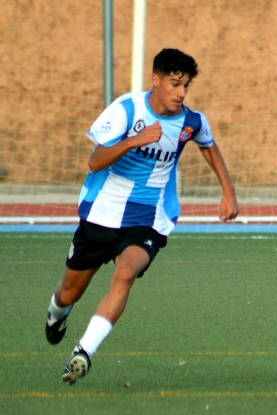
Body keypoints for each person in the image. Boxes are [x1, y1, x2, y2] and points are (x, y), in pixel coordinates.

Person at [45, 48, 239, 385]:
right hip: (101, 214)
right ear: (156, 80)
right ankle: (57, 314)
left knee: (124, 276)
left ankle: (84, 352)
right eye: (175, 84)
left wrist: (229, 191)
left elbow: (208, 145)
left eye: (186, 86)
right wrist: (135, 140)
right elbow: (95, 161)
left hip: (147, 219)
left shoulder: (191, 121)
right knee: (69, 293)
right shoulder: (126, 109)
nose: (181, 93)